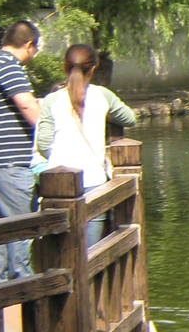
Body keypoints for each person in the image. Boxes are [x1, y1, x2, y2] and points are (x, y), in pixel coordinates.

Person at [37, 44, 138, 246]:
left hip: (57, 182)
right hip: (93, 179)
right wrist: (105, 114)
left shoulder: (52, 100)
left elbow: (43, 143)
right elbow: (130, 118)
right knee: (90, 250)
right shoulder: (102, 96)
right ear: (93, 69)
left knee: (60, 248)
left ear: (65, 67)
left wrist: (59, 159)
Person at [0, 22, 42, 283]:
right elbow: (26, 105)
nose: (34, 54)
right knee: (21, 225)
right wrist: (50, 133)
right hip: (10, 160)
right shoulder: (9, 66)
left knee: (1, 225)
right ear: (28, 45)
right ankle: (23, 282)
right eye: (35, 49)